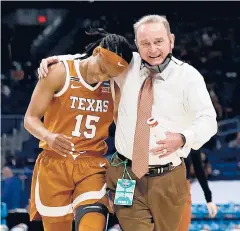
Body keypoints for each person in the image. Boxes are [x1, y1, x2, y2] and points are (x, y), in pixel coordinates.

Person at [38, 15, 218, 231]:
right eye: (145, 43)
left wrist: (182, 138)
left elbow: (209, 120)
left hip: (168, 175)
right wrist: (62, 59)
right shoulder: (125, 65)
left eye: (158, 41)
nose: (152, 49)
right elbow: (95, 58)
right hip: (126, 172)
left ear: (171, 40)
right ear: (137, 45)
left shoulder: (189, 77)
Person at [24, 29, 133, 231]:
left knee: (94, 223)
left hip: (91, 165)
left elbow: (124, 129)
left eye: (108, 74)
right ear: (96, 52)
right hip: (54, 163)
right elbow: (30, 119)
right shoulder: (58, 73)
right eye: (101, 68)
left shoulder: (113, 86)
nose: (101, 76)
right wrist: (49, 136)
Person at [178, 150, 218, 231]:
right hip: (160, 184)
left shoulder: (192, 140)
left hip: (183, 187)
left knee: (182, 226)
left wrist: (209, 199)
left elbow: (199, 168)